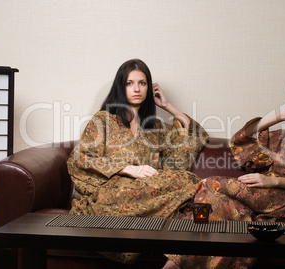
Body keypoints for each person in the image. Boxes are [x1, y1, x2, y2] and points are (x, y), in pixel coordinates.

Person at [163, 74, 285, 269]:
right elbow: (241, 139)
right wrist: (277, 117)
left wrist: (271, 181)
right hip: (267, 192)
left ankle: (174, 266)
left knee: (210, 183)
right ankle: (178, 263)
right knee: (219, 205)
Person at [67, 58, 209, 264]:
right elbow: (80, 159)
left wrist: (167, 106)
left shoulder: (154, 127)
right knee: (189, 183)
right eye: (129, 83)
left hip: (147, 192)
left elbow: (189, 142)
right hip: (113, 194)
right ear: (120, 87)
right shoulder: (103, 120)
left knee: (184, 181)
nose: (136, 89)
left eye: (142, 83)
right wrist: (128, 169)